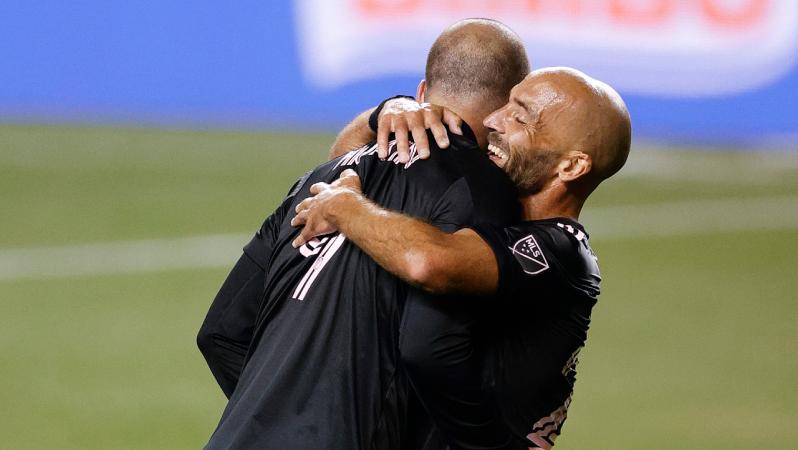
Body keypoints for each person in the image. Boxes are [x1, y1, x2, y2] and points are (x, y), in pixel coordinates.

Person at [197, 19, 530, 449]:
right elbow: (427, 349)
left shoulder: (323, 178)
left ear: (423, 92)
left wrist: (284, 418)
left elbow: (221, 332)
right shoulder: (486, 191)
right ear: (506, 110)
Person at [291, 67, 632, 448]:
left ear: (571, 166)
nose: (491, 121)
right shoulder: (490, 216)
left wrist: (345, 206)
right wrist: (386, 113)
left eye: (519, 118)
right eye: (505, 104)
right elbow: (348, 166)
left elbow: (428, 262)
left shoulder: (561, 251)